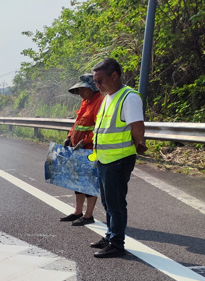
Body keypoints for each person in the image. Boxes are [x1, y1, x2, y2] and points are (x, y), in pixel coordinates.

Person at [89, 57, 147, 258]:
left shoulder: (128, 97)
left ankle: (117, 243)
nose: (97, 85)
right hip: (105, 158)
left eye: (100, 80)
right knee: (107, 202)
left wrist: (134, 145)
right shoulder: (108, 97)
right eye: (95, 81)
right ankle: (110, 235)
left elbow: (138, 129)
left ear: (114, 75)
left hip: (119, 159)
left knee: (116, 203)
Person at [59, 74, 103, 226]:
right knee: (77, 181)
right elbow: (78, 123)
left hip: (90, 150)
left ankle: (88, 215)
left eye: (82, 90)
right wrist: (69, 136)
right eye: (79, 91)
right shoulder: (86, 102)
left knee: (89, 182)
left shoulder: (99, 102)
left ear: (91, 88)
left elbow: (98, 128)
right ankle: (77, 212)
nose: (80, 93)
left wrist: (84, 142)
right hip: (77, 149)